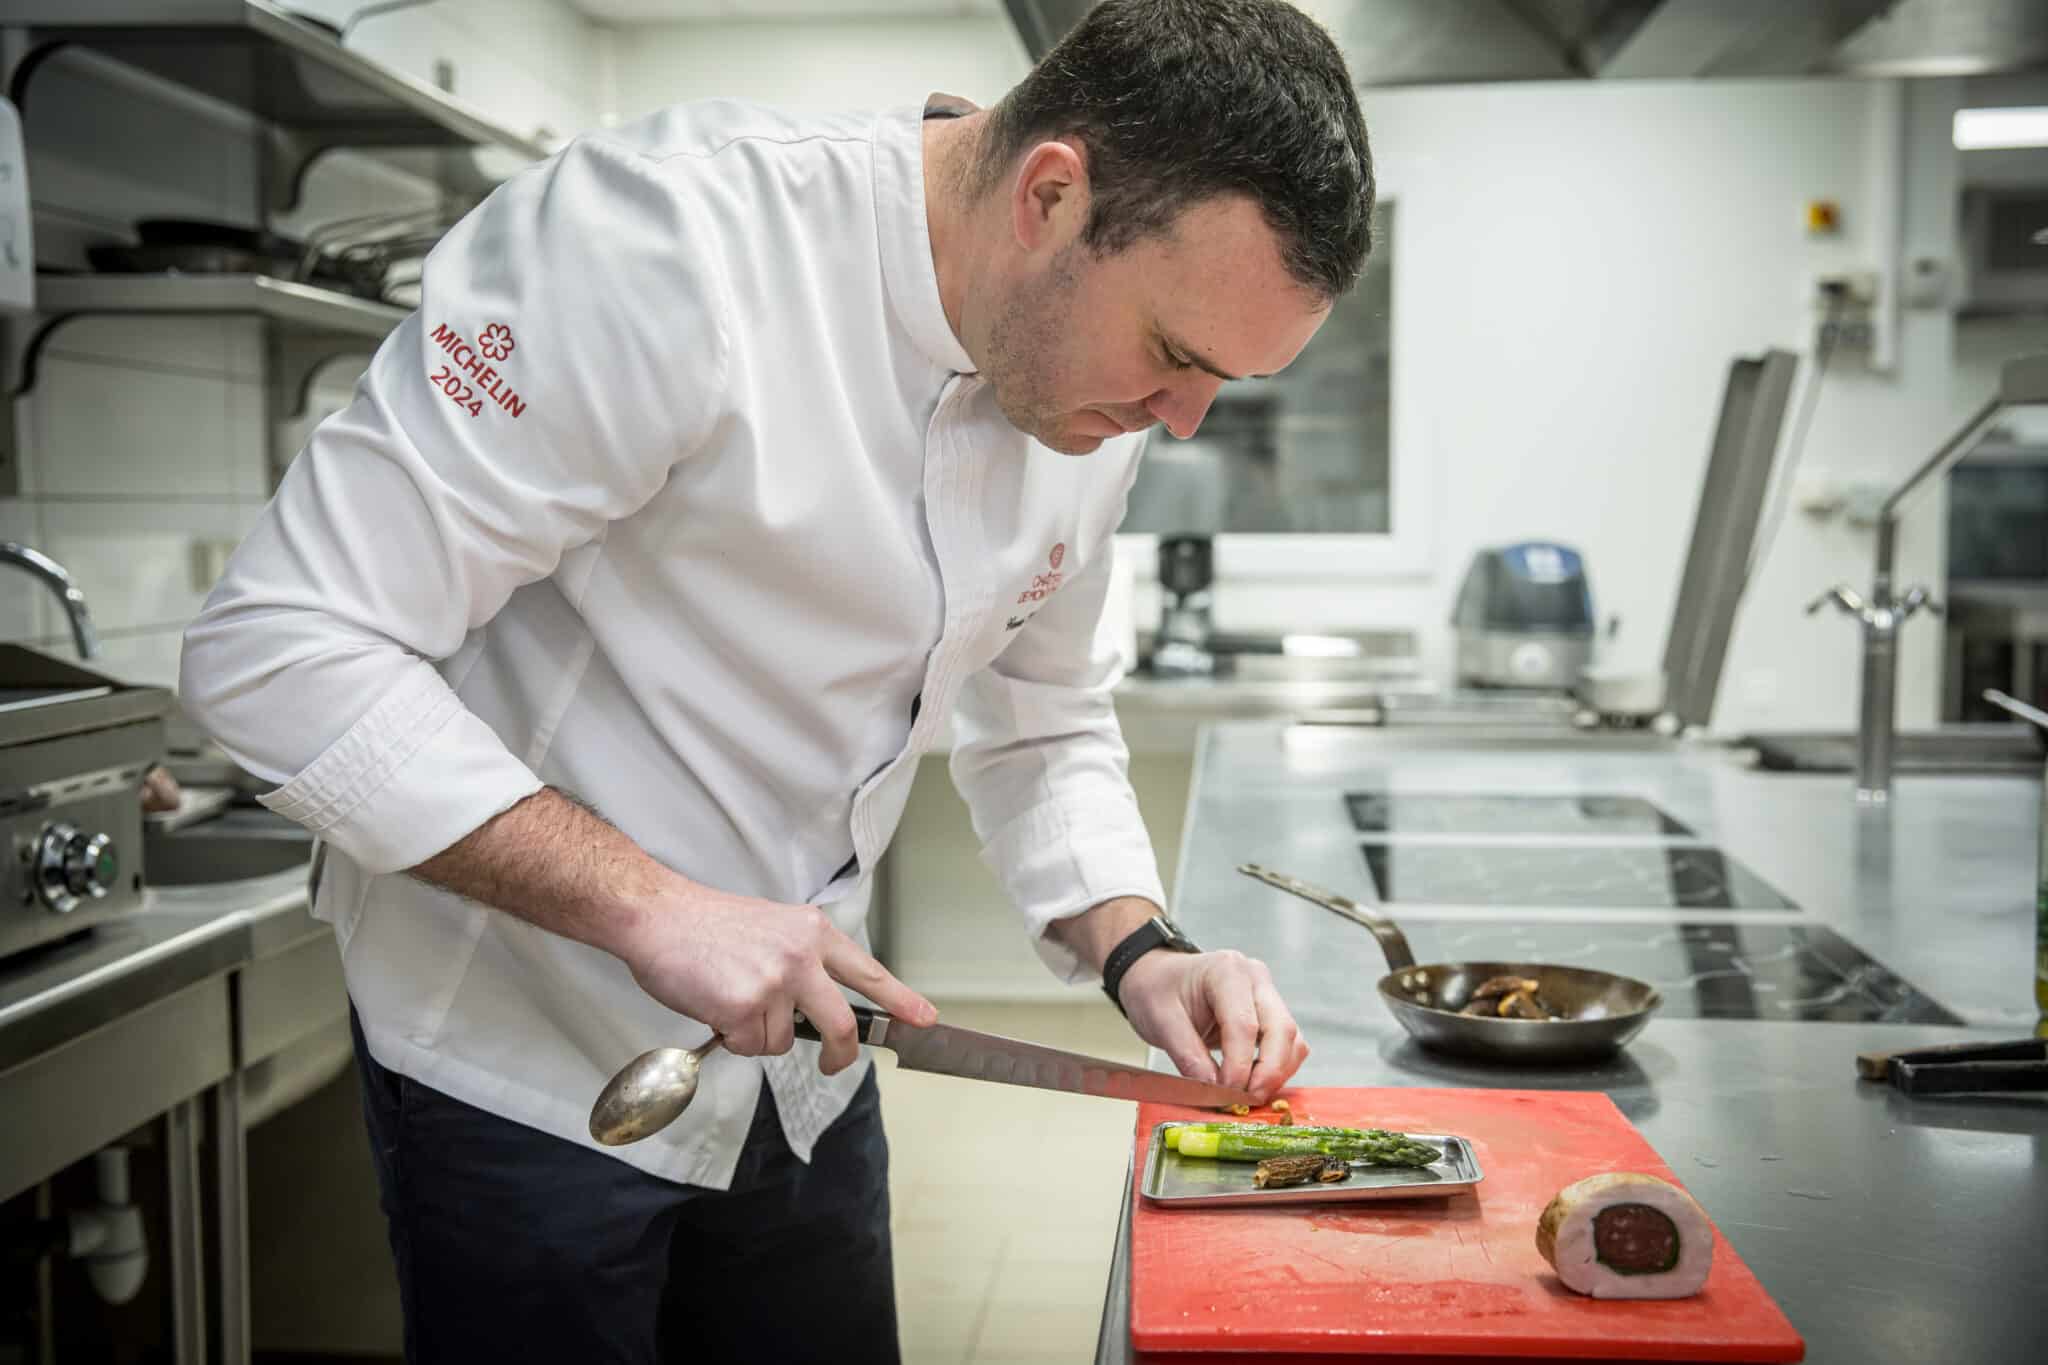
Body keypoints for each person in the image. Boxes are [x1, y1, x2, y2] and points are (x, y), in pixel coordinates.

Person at [179, 0, 1375, 1359]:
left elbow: (1044, 718)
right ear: (1052, 196)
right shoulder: (666, 242)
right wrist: (652, 905)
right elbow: (278, 646)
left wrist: (1142, 948)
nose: (1183, 422)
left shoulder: (1094, 392)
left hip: (807, 1061)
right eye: (1174, 354)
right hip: (528, 1067)